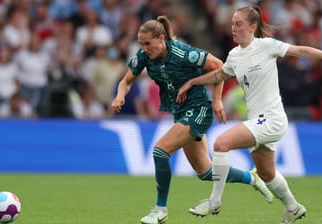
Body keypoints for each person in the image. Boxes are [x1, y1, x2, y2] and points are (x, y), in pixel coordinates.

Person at [111, 15, 273, 224]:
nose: (144, 48)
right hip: (180, 113)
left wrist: (217, 100)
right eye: (141, 44)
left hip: (199, 109)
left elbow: (219, 66)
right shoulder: (144, 56)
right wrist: (120, 95)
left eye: (148, 43)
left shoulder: (183, 52)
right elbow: (125, 81)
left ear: (161, 39)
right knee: (205, 172)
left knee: (160, 151)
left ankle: (160, 210)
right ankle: (252, 177)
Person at [176, 5, 322, 224]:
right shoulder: (235, 55)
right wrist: (192, 82)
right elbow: (219, 74)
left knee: (221, 144)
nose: (234, 28)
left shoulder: (266, 46)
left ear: (252, 27)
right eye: (232, 24)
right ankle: (293, 208)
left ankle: (214, 201)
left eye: (239, 24)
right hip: (257, 120)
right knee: (266, 173)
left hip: (272, 119)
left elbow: (300, 51)